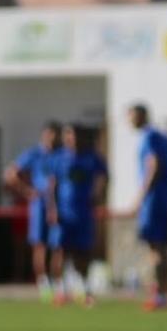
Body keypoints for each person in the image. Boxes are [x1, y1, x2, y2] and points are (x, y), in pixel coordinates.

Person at [46, 124, 107, 308]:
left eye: (75, 135)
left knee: (83, 253)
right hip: (64, 213)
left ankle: (85, 290)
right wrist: (52, 209)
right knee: (60, 251)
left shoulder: (92, 158)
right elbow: (52, 185)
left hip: (83, 213)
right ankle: (60, 291)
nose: (72, 138)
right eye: (68, 135)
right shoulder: (58, 158)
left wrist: (98, 195)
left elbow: (103, 177)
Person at [5, 122, 61, 302]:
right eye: (50, 134)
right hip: (40, 205)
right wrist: (27, 191)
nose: (52, 138)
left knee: (59, 245)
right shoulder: (34, 154)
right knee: (40, 244)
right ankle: (43, 284)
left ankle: (58, 283)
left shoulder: (62, 155)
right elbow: (10, 174)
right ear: (43, 135)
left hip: (60, 205)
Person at [128, 103, 167, 311]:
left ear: (141, 116)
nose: (129, 120)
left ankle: (157, 294)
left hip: (153, 201)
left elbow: (153, 165)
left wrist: (141, 197)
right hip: (164, 198)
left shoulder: (150, 137)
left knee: (154, 249)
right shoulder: (163, 137)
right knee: (163, 248)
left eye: (131, 116)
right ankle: (165, 294)